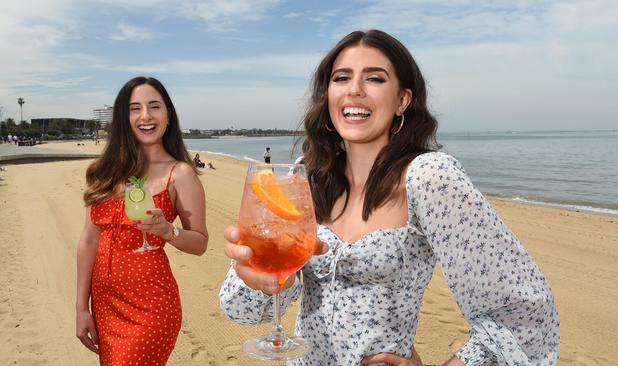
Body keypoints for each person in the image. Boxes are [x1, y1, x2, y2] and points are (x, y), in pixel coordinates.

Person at [219, 29, 559, 365]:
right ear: (328, 96)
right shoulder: (306, 179)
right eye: (341, 78)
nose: (354, 90)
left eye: (375, 79)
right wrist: (260, 277)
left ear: (402, 100)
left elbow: (525, 312)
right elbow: (241, 312)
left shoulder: (428, 177)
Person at [75, 76, 209, 365]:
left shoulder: (180, 173)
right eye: (135, 108)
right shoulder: (105, 172)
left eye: (154, 107)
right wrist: (80, 307)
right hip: (104, 304)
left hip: (151, 307)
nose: (145, 116)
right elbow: (88, 241)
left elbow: (199, 243)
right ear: (124, 118)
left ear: (168, 115)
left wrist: (168, 231)